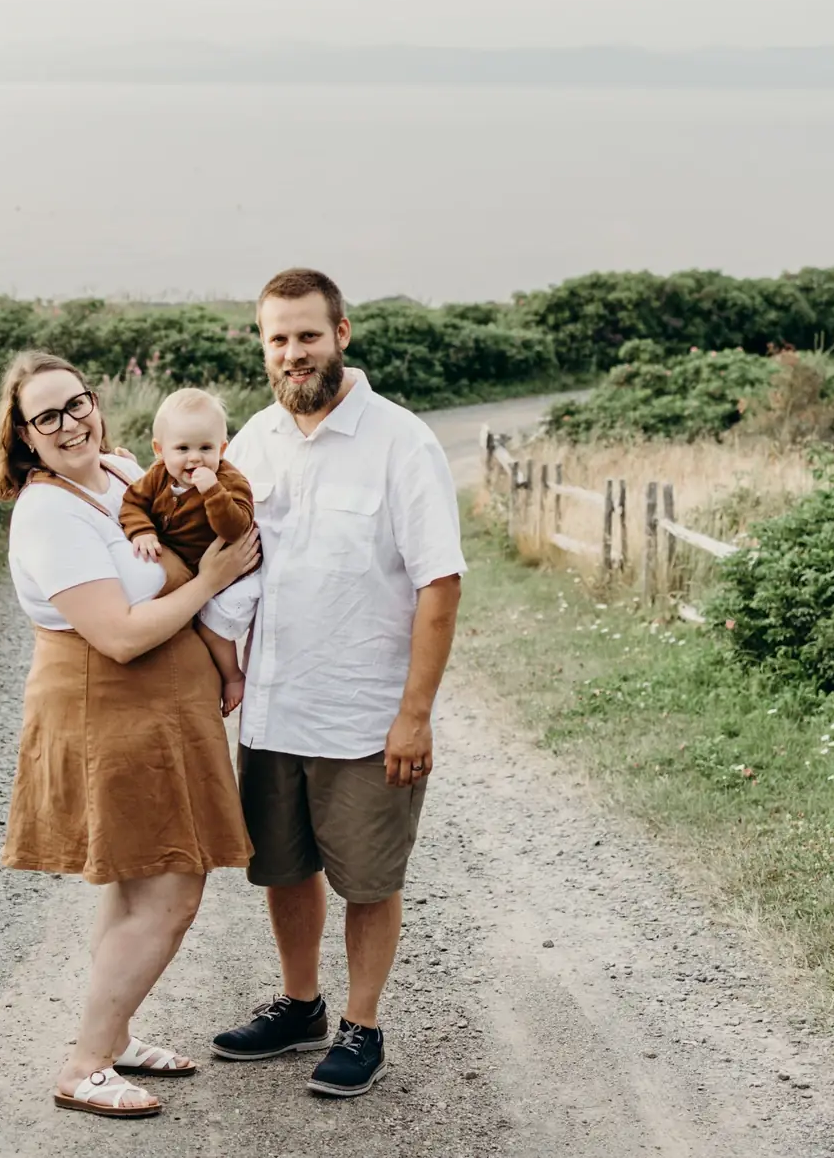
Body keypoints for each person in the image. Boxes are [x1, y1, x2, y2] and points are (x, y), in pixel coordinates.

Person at [0, 351, 260, 1120]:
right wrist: (213, 578)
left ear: (95, 404)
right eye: (47, 417)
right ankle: (86, 1063)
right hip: (108, 708)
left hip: (164, 716)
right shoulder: (46, 512)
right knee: (172, 886)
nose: (69, 423)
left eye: (76, 404)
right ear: (24, 438)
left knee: (140, 877)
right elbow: (120, 635)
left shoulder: (121, 472)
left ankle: (115, 1034)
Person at [210, 269, 465, 1097]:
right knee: (283, 867)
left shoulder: (402, 441)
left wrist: (414, 716)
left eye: (307, 335)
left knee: (368, 877)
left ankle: (362, 1022)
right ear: (263, 347)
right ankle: (299, 1004)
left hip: (363, 712)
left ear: (343, 334)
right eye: (277, 339)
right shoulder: (250, 442)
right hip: (274, 708)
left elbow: (439, 583)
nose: (293, 353)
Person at [117, 387, 262, 713]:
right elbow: (132, 504)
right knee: (176, 622)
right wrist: (141, 531)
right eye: (182, 448)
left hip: (232, 572)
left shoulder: (229, 481)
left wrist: (213, 491)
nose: (195, 458)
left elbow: (236, 527)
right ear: (159, 450)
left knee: (209, 627)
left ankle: (232, 676)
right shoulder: (156, 477)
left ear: (222, 449)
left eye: (206, 448)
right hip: (191, 568)